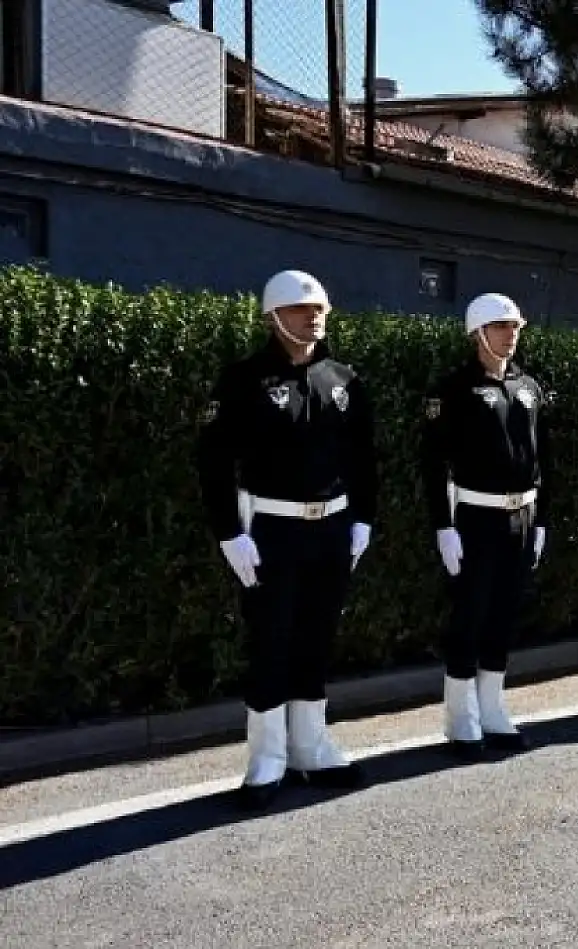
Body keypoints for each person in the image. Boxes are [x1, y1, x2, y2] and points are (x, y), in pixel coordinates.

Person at [195, 269, 377, 809]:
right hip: (271, 529)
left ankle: (311, 746)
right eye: (301, 311)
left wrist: (363, 518)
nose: (313, 317)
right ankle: (268, 758)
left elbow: (364, 458)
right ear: (274, 317)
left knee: (316, 639)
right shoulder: (242, 380)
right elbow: (213, 462)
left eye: (319, 309)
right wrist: (230, 533)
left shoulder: (343, 378)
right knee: (270, 641)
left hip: (331, 528)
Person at [420, 292, 552, 757]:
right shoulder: (453, 389)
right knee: (470, 616)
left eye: (515, 327)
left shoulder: (528, 386)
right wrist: (443, 526)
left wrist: (541, 522)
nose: (510, 335)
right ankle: (461, 719)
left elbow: (542, 458)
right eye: (501, 327)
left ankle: (493, 708)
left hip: (522, 514)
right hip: (475, 517)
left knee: (504, 615)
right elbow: (434, 463)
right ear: (478, 333)